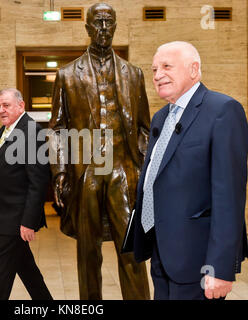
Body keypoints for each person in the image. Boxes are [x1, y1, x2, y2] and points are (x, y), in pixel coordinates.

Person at [124, 41, 248, 300]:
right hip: (161, 252)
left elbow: (229, 198)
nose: (158, 75)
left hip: (199, 262)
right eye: (154, 69)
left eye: (166, 67)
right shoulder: (160, 118)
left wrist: (221, 267)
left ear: (194, 69)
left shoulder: (223, 111)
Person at [49, 3, 150, 300]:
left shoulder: (134, 74)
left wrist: (142, 167)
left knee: (131, 250)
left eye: (109, 22)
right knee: (88, 254)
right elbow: (57, 129)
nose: (104, 29)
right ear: (87, 28)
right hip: (87, 174)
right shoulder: (67, 75)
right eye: (98, 23)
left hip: (124, 171)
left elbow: (145, 126)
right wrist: (61, 171)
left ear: (116, 26)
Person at [0, 88, 52, 300]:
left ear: (20, 106)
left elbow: (37, 182)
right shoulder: (9, 129)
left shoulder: (31, 132)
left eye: (6, 105)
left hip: (16, 216)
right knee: (27, 269)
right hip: (5, 210)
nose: (1, 110)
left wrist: (28, 221)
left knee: (1, 269)